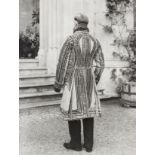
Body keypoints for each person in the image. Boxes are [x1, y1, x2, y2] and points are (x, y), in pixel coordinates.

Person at [54, 13, 105, 152]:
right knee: (88, 111)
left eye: (74, 23)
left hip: (73, 80)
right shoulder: (95, 40)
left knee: (73, 110)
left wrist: (58, 83)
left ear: (76, 24)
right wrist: (94, 78)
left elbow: (62, 62)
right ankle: (89, 145)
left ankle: (76, 144)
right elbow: (101, 64)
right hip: (89, 79)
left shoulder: (71, 39)